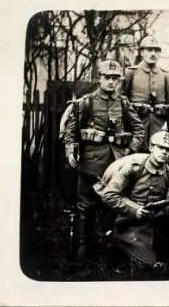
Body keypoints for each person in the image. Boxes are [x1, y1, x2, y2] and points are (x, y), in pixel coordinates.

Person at [64, 59, 145, 264]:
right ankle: (84, 245)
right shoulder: (86, 102)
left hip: (117, 165)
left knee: (113, 204)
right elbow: (71, 132)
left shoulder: (123, 103)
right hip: (91, 164)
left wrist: (130, 150)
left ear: (119, 81)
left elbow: (139, 129)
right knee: (86, 206)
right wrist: (71, 151)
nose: (111, 82)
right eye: (107, 78)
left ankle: (107, 244)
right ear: (99, 78)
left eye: (115, 79)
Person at [94, 130, 169, 277]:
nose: (164, 152)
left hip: (156, 220)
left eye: (168, 150)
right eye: (160, 148)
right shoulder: (134, 167)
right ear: (151, 147)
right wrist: (134, 210)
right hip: (130, 220)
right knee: (148, 266)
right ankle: (114, 243)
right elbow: (109, 195)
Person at [123, 35, 169, 152]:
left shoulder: (165, 75)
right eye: (149, 50)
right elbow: (121, 101)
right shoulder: (131, 73)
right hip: (136, 125)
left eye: (156, 51)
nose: (153, 54)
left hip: (158, 125)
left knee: (156, 154)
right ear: (142, 52)